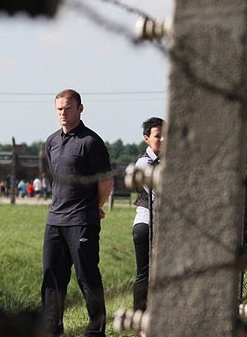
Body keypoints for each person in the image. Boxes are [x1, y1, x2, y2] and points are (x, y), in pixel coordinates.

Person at [40, 89, 114, 337]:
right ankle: (51, 327)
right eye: (59, 108)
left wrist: (95, 207)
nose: (63, 113)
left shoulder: (91, 142)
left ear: (80, 109)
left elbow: (106, 182)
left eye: (68, 108)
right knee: (52, 278)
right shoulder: (51, 141)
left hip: (82, 221)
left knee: (87, 277)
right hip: (55, 221)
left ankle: (95, 331)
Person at [131, 117, 164, 337]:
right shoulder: (144, 164)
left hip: (166, 225)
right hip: (146, 223)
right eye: (157, 135)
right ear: (146, 138)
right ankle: (141, 322)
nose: (162, 139)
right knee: (145, 272)